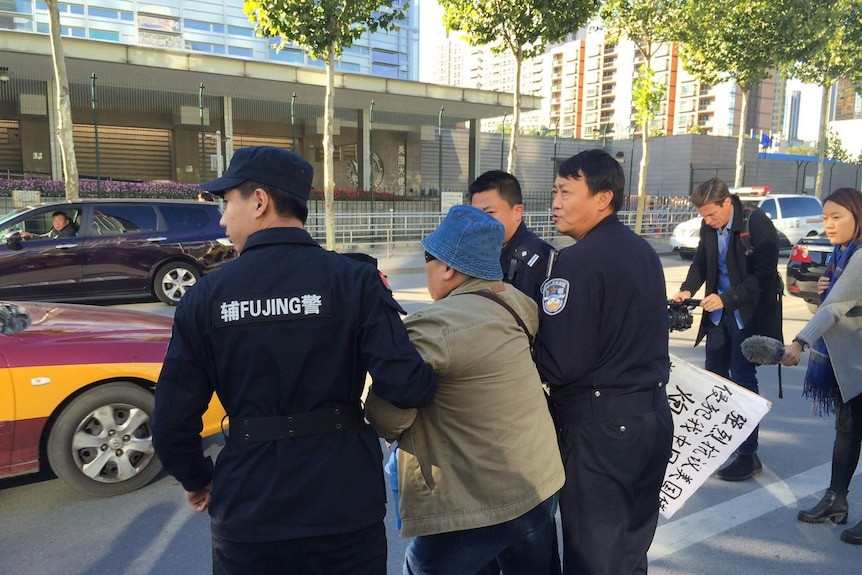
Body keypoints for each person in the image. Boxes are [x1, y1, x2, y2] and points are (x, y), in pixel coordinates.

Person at [149, 145, 438, 575]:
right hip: (344, 500)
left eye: (228, 203)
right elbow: (407, 385)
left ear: (260, 201)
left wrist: (198, 478)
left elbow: (171, 424)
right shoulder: (355, 281)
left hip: (250, 506)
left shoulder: (206, 297)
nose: (224, 218)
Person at [365, 205, 565, 574]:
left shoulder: (433, 326)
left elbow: (386, 417)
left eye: (428, 256)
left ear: (447, 267)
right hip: (538, 480)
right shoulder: (517, 303)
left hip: (473, 500)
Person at [534, 149, 672, 575]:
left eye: (565, 191)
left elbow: (559, 364)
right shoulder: (642, 251)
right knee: (629, 553)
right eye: (554, 191)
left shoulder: (575, 262)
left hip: (600, 429)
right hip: (651, 419)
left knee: (593, 558)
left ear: (602, 198)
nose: (555, 202)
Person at [672, 176, 783, 481]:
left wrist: (726, 299)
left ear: (728, 202)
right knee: (715, 383)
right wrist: (686, 290)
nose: (708, 221)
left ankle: (748, 454)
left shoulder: (756, 222)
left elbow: (763, 276)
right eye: (703, 216)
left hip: (746, 314)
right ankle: (721, 446)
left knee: (743, 380)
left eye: (711, 214)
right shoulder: (710, 226)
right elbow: (700, 263)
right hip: (719, 317)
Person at [779, 187, 862, 545]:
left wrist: (800, 341)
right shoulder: (843, 252)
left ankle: (836, 501)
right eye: (825, 217)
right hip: (851, 365)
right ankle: (835, 501)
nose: (828, 225)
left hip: (858, 363)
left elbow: (833, 309)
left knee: (850, 432)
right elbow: (834, 301)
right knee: (847, 432)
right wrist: (829, 287)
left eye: (837, 217)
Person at [468, 170, 555, 305]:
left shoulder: (539, 260)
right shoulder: (475, 254)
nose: (481, 222)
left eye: (490, 212)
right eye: (475, 214)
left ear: (517, 212)